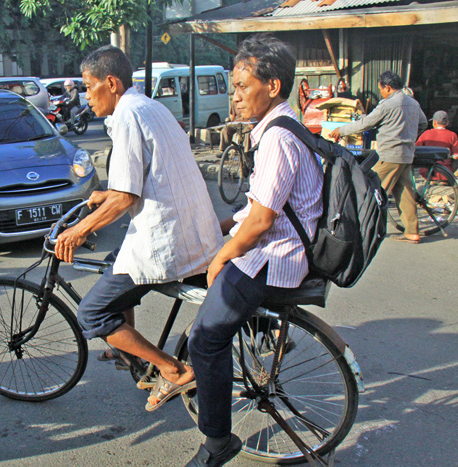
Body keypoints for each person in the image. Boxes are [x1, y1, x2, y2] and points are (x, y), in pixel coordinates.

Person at [54, 45, 223, 411]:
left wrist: (79, 230)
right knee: (114, 264)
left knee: (92, 313)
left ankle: (171, 369)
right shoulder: (149, 107)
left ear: (110, 83)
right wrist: (105, 194)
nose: (85, 96)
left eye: (88, 86)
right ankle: (126, 350)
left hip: (166, 241)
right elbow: (138, 182)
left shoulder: (129, 115)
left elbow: (126, 198)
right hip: (193, 232)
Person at [184, 34, 324, 467]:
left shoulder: (279, 138)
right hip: (272, 246)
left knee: (204, 340)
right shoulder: (279, 129)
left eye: (243, 86)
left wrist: (225, 252)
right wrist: (220, 227)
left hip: (274, 257)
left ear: (273, 87)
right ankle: (249, 328)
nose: (235, 96)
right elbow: (258, 207)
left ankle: (218, 442)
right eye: (234, 87)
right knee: (202, 281)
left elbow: (263, 222)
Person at [332, 71, 427, 244]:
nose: (381, 92)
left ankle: (364, 230)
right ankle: (412, 232)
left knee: (371, 191)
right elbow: (423, 123)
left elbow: (366, 123)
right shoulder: (413, 103)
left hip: (389, 155)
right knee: (405, 193)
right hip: (406, 156)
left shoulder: (387, 104)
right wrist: (410, 137)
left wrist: (341, 130)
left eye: (381, 89)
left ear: (387, 87)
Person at [415, 110, 458, 179]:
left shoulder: (426, 134)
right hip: (446, 173)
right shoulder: (452, 135)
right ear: (447, 123)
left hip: (428, 174)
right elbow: (456, 156)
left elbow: (416, 149)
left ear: (434, 122)